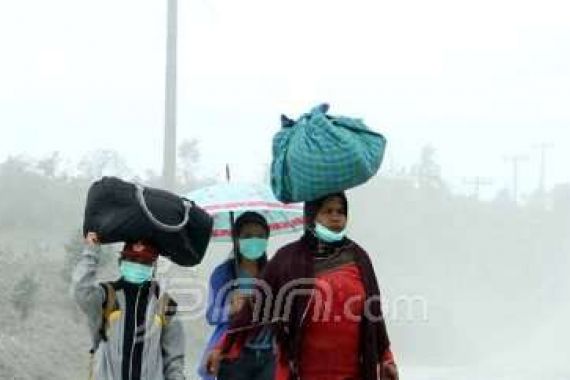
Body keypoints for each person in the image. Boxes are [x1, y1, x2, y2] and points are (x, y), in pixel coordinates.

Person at [207, 193, 399, 380]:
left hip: (352, 371)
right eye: (327, 211)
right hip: (302, 371)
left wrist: (387, 359)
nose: (335, 217)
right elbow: (254, 307)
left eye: (341, 211)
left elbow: (375, 314)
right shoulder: (287, 259)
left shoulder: (359, 257)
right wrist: (221, 347)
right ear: (311, 215)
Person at [72, 232, 186, 380]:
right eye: (132, 259)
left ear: (153, 267)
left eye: (144, 262)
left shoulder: (165, 305)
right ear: (121, 262)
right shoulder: (106, 296)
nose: (137, 265)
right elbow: (81, 291)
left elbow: (174, 361)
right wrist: (91, 251)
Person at [198, 211, 275, 380]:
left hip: (268, 355)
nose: (254, 240)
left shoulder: (273, 272)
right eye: (247, 236)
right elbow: (211, 315)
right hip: (233, 354)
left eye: (260, 236)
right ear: (237, 239)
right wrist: (231, 309)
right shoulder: (224, 273)